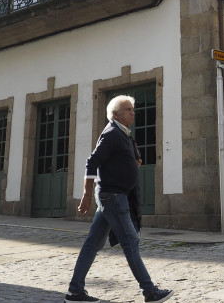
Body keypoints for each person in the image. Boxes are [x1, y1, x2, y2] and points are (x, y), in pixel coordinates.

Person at [64, 95, 173, 303]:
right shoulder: (112, 133)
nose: (132, 112)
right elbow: (91, 162)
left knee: (92, 244)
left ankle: (74, 291)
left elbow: (115, 163)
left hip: (112, 197)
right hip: (113, 197)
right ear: (115, 114)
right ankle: (149, 291)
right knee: (130, 242)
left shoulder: (122, 134)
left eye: (132, 108)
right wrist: (86, 194)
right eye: (127, 109)